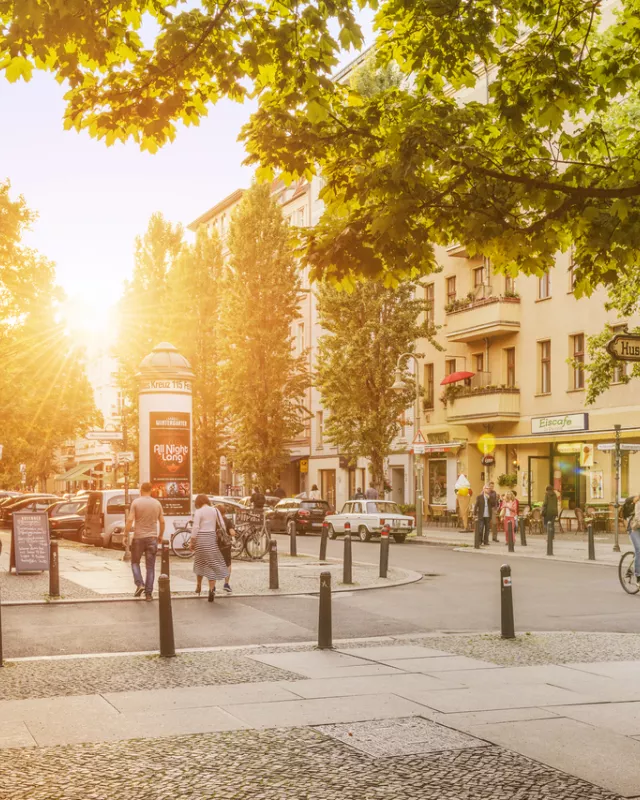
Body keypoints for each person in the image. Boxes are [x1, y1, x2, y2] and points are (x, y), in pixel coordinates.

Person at [124, 482, 165, 601]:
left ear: (141, 490)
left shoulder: (136, 502)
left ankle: (139, 584)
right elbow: (162, 521)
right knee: (150, 567)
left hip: (138, 538)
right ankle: (148, 594)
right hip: (152, 538)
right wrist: (160, 535)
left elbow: (130, 520)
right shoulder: (157, 504)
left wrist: (125, 534)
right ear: (151, 490)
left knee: (135, 562)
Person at [192, 494, 230, 602]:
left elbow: (195, 527)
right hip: (211, 539)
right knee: (211, 564)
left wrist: (192, 541)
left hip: (200, 539)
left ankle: (198, 585)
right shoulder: (215, 511)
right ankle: (211, 589)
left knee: (200, 562)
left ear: (198, 502)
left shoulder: (199, 512)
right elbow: (222, 524)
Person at [629, 496, 640, 587]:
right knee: (639, 550)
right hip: (634, 529)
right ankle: (638, 576)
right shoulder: (638, 504)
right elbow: (638, 518)